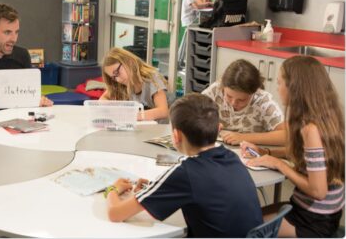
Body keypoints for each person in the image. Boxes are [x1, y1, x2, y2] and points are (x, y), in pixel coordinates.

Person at [105, 93, 263, 237]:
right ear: (218, 128)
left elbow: (115, 214)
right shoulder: (231, 157)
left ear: (175, 136)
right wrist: (154, 191)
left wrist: (113, 189)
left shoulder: (185, 172)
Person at [241, 56, 344, 238]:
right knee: (249, 214)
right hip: (322, 213)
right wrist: (267, 152)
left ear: (295, 88)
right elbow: (313, 160)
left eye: (280, 83)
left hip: (312, 222)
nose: (278, 88)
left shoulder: (311, 130)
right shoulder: (327, 117)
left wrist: (280, 164)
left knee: (242, 226)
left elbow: (319, 191)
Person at [202, 59, 286, 145]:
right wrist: (206, 125)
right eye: (229, 96)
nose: (233, 103)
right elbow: (191, 114)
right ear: (223, 86)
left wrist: (244, 138)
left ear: (254, 92)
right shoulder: (215, 90)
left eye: (241, 100)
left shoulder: (263, 101)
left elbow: (287, 136)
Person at [100, 47, 169, 121]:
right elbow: (102, 99)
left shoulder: (152, 77)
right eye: (114, 77)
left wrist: (129, 115)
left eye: (117, 72)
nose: (118, 80)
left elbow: (163, 111)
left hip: (160, 129)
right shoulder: (121, 84)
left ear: (127, 61)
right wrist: (115, 110)